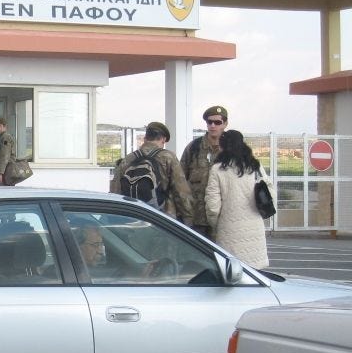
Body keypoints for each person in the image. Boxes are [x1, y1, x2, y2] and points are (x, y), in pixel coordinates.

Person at [205, 129, 272, 268]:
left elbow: (212, 206)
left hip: (228, 229)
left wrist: (215, 224)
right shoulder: (255, 166)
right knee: (255, 275)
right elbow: (270, 191)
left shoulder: (217, 170)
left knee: (231, 272)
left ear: (222, 147)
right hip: (255, 229)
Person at [111, 121, 194, 225]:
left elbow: (115, 190)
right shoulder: (168, 157)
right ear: (163, 139)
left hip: (132, 218)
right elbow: (182, 192)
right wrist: (189, 220)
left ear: (146, 138)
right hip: (162, 218)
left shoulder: (128, 158)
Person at [181, 105, 228, 237]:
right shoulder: (194, 148)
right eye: (209, 122)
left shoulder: (230, 150)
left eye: (217, 122)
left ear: (225, 124)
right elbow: (180, 180)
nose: (213, 126)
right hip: (196, 217)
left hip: (221, 217)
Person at [0, 116, 17, 186]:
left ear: (0, 126)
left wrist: (0, 173)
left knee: (3, 192)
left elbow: (4, 156)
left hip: (6, 170)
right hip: (5, 169)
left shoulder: (5, 137)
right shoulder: (2, 136)